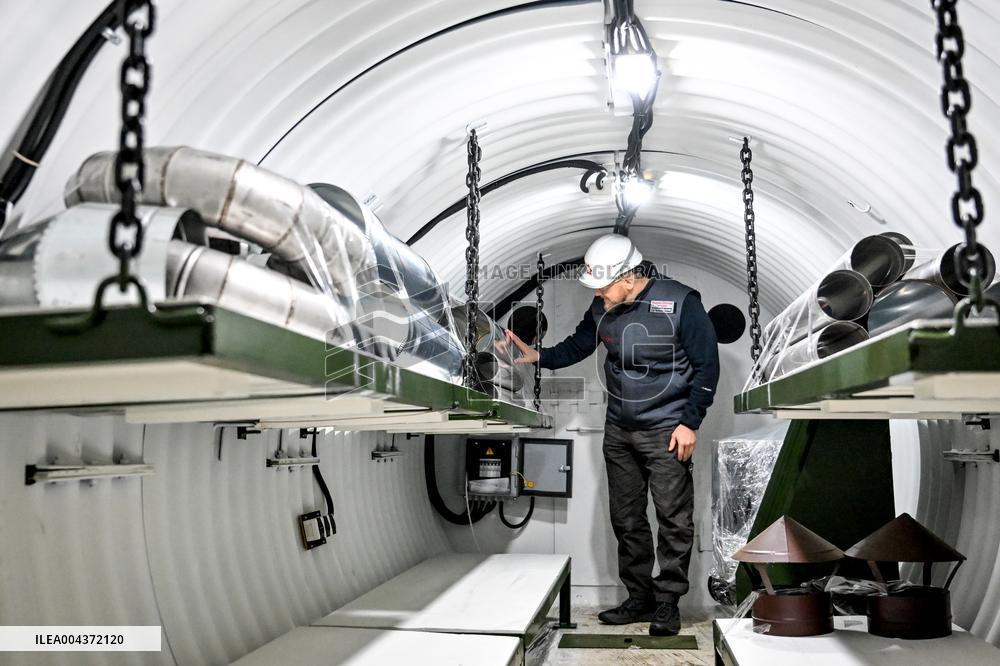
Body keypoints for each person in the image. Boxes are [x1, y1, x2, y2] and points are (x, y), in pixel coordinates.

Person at [503, 233, 720, 636]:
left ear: (627, 277)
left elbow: (707, 367)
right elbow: (578, 346)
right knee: (626, 519)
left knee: (674, 519)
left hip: (668, 430)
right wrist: (540, 356)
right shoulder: (602, 305)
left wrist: (691, 422)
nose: (599, 296)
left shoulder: (681, 303)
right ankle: (639, 598)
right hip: (619, 430)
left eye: (604, 287)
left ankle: (668, 604)